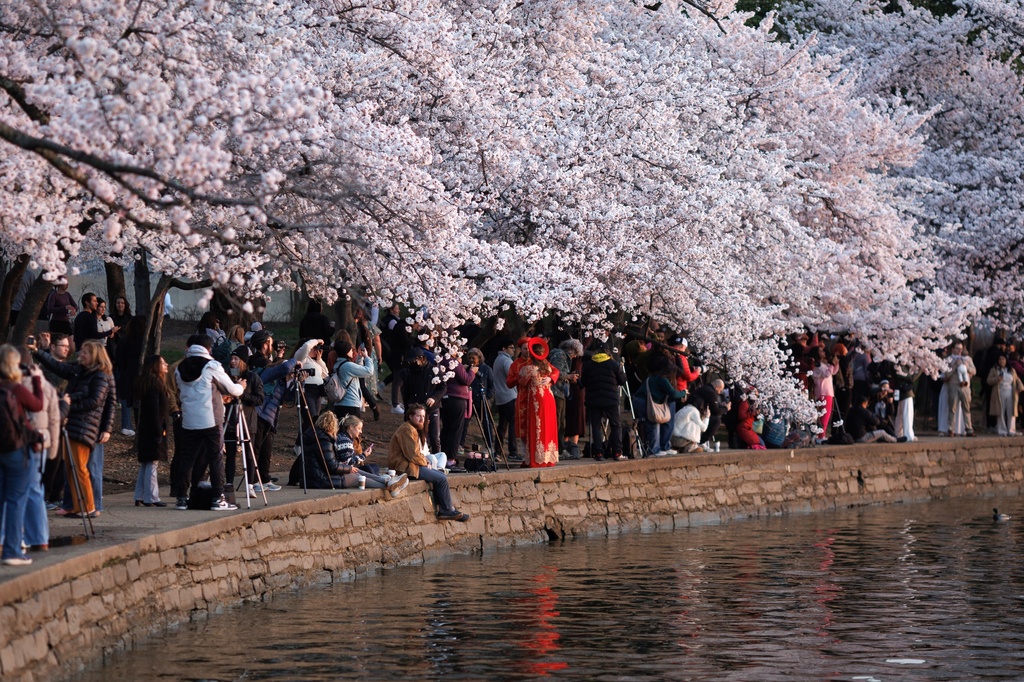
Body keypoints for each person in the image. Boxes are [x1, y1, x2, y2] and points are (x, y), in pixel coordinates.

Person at [34, 338, 116, 518]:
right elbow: (59, 367)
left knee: (80, 467)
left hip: (85, 426)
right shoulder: (80, 371)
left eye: (85, 352)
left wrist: (68, 404)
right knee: (70, 468)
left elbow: (96, 401)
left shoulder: (100, 375)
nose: (80, 355)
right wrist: (38, 351)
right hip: (73, 425)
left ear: (94, 355)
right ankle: (75, 506)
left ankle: (89, 506)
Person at [172, 334, 244, 510]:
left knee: (187, 459)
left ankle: (181, 498)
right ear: (209, 349)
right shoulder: (212, 366)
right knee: (216, 458)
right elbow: (231, 389)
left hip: (188, 420)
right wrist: (242, 385)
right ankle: (217, 499)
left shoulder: (179, 368)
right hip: (210, 420)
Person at [248, 331, 319, 492]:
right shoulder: (262, 365)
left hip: (270, 414)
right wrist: (294, 360)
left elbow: (287, 397)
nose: (273, 346)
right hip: (260, 411)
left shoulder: (275, 369)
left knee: (265, 449)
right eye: (271, 343)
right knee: (256, 448)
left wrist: (296, 380)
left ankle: (263, 479)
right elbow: (285, 367)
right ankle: (252, 482)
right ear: (264, 343)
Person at [0, 344, 45, 566]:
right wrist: (36, 379)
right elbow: (37, 405)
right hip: (16, 449)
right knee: (16, 500)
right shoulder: (16, 388)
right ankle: (12, 550)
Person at [388, 404, 470, 521]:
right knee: (441, 479)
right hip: (405, 467)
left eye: (423, 416)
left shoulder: (412, 429)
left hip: (412, 464)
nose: (422, 419)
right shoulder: (407, 429)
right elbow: (412, 454)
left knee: (440, 475)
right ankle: (446, 510)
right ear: (410, 416)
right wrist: (425, 462)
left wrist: (425, 460)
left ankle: (446, 508)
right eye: (418, 416)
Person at [18, 346, 59, 554]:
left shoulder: (14, 385)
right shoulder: (44, 384)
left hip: (22, 442)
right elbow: (55, 417)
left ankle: (20, 535)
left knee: (18, 491)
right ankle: (40, 536)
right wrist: (53, 447)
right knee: (35, 489)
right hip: (42, 441)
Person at [223, 346, 265, 503]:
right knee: (230, 455)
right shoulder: (227, 376)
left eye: (236, 359)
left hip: (247, 421)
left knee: (249, 453)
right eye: (231, 359)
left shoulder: (252, 377)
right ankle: (228, 483)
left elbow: (260, 399)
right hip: (230, 420)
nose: (233, 362)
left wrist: (242, 392)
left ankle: (250, 484)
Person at [512, 338, 559, 468]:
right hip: (549, 397)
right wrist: (549, 378)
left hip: (536, 398)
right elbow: (556, 371)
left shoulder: (529, 368)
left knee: (537, 427)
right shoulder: (546, 365)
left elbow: (521, 382)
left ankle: (535, 458)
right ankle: (548, 458)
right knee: (547, 426)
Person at [579, 341, 627, 460]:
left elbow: (583, 382)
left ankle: (598, 453)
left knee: (596, 427)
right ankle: (617, 452)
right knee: (615, 425)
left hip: (593, 400)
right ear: (608, 351)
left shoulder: (589, 365)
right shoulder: (613, 364)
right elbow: (622, 380)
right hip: (611, 400)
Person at [133, 355, 171, 507]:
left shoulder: (146, 384)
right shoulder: (156, 385)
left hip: (146, 428)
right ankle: (152, 497)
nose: (166, 364)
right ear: (156, 366)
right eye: (163, 363)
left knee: (146, 462)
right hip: (153, 428)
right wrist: (159, 431)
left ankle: (140, 494)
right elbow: (156, 411)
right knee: (152, 463)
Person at [632, 355, 687, 457]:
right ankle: (653, 450)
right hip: (643, 402)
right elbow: (673, 393)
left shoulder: (655, 377)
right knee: (653, 424)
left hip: (641, 400)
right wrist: (683, 392)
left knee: (654, 424)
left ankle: (654, 449)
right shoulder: (662, 379)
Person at [439, 350, 476, 461]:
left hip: (445, 398)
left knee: (446, 428)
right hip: (457, 398)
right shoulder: (453, 362)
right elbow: (467, 380)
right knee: (456, 429)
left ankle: (442, 455)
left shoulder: (441, 361)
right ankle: (451, 458)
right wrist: (472, 371)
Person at [114, 315, 147, 436]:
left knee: (128, 401)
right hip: (140, 374)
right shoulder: (145, 341)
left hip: (127, 374)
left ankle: (128, 425)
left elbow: (119, 359)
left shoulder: (125, 340)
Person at [491, 337, 520, 461]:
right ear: (504, 349)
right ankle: (513, 451)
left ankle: (497, 451)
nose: (513, 350)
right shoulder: (507, 361)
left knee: (502, 425)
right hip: (509, 395)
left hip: (500, 397)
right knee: (513, 424)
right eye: (511, 348)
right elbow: (513, 377)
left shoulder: (497, 360)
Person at [330, 339, 374, 420]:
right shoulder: (348, 366)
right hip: (350, 405)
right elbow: (369, 371)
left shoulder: (338, 365)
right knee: (353, 430)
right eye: (351, 350)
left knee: (342, 430)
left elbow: (357, 370)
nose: (352, 352)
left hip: (339, 405)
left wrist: (360, 357)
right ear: (346, 352)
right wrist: (367, 357)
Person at [941, 342, 976, 437]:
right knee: (952, 408)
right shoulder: (948, 359)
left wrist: (966, 366)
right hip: (953, 385)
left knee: (966, 408)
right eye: (957, 348)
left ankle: (969, 428)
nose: (959, 350)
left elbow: (974, 371)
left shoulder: (967, 359)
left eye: (961, 348)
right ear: (953, 349)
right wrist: (955, 365)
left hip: (965, 387)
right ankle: (950, 429)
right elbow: (946, 374)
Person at [987, 355, 1023, 436]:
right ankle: (1002, 430)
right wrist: (997, 379)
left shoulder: (1011, 370)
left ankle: (1011, 430)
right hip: (999, 392)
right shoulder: (994, 369)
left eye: (1003, 359)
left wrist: (1020, 387)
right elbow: (989, 380)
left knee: (1011, 412)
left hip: (1010, 392)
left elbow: (1017, 379)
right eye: (1000, 359)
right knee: (1001, 411)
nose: (1001, 361)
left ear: (1006, 360)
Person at [812, 346, 839, 442]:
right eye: (821, 351)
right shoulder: (817, 364)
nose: (823, 352)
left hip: (827, 392)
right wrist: (831, 364)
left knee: (826, 414)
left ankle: (821, 435)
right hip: (823, 391)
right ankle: (820, 436)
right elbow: (827, 374)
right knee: (824, 414)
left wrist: (835, 363)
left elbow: (833, 372)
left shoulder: (823, 364)